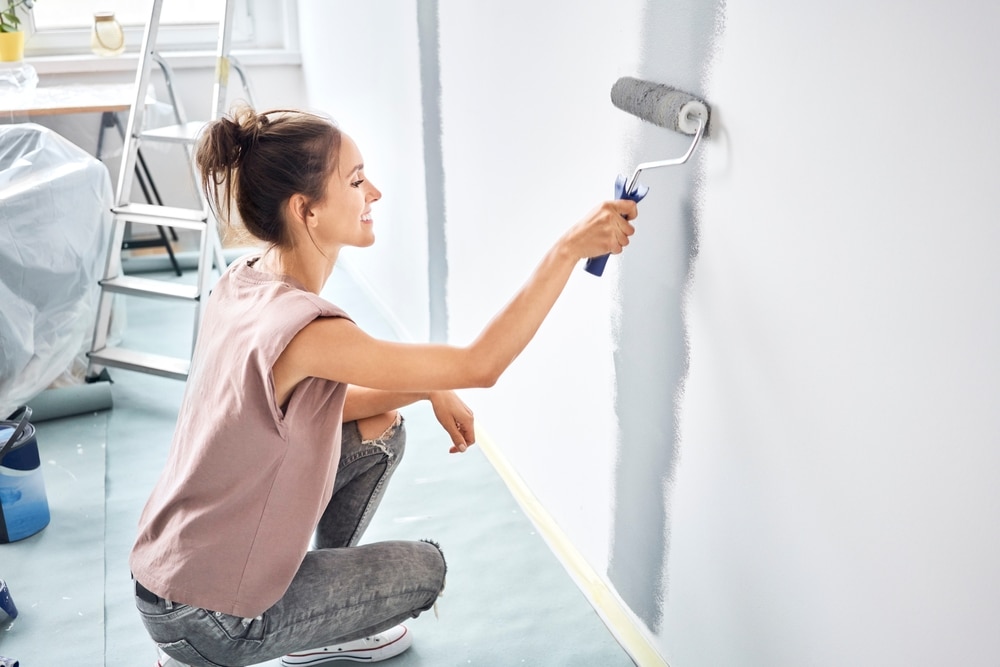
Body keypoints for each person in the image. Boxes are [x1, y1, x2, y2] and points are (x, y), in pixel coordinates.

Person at [129, 105, 638, 667]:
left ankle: (307, 617)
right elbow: (482, 364)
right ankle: (298, 632)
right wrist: (567, 249)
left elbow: (305, 409)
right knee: (426, 570)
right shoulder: (312, 332)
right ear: (307, 211)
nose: (374, 192)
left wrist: (426, 388)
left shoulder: (245, 281)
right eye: (354, 181)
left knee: (380, 430)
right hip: (214, 622)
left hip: (168, 581)